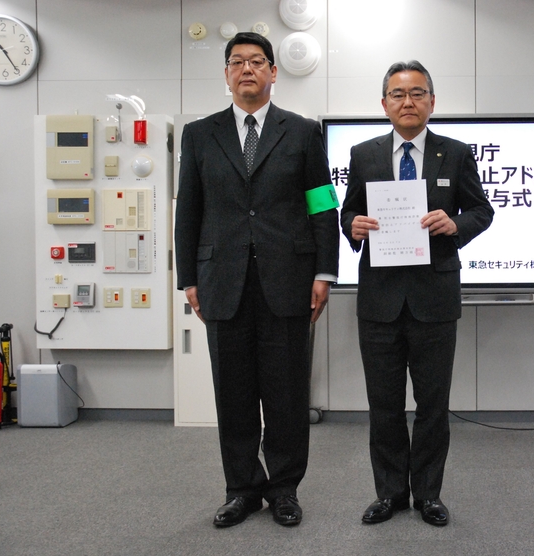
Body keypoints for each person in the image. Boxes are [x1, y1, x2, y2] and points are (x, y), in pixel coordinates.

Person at [175, 32, 339, 528]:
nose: (247, 69)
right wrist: (188, 278)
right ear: (226, 74)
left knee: (287, 393)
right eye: (237, 61)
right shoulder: (199, 134)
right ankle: (242, 489)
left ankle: (284, 488)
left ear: (273, 72)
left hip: (289, 279)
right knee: (233, 393)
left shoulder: (303, 132)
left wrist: (324, 270)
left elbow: (322, 204)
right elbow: (189, 211)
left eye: (257, 61)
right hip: (221, 280)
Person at [341, 60, 494, 527]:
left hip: (434, 298)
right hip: (379, 300)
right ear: (384, 103)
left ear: (431, 101)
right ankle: (390, 494)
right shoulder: (363, 154)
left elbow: (482, 211)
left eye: (417, 93)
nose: (407, 102)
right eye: (398, 94)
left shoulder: (456, 153)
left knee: (432, 406)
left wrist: (456, 223)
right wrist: (353, 226)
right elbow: (347, 213)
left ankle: (428, 495)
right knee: (384, 406)